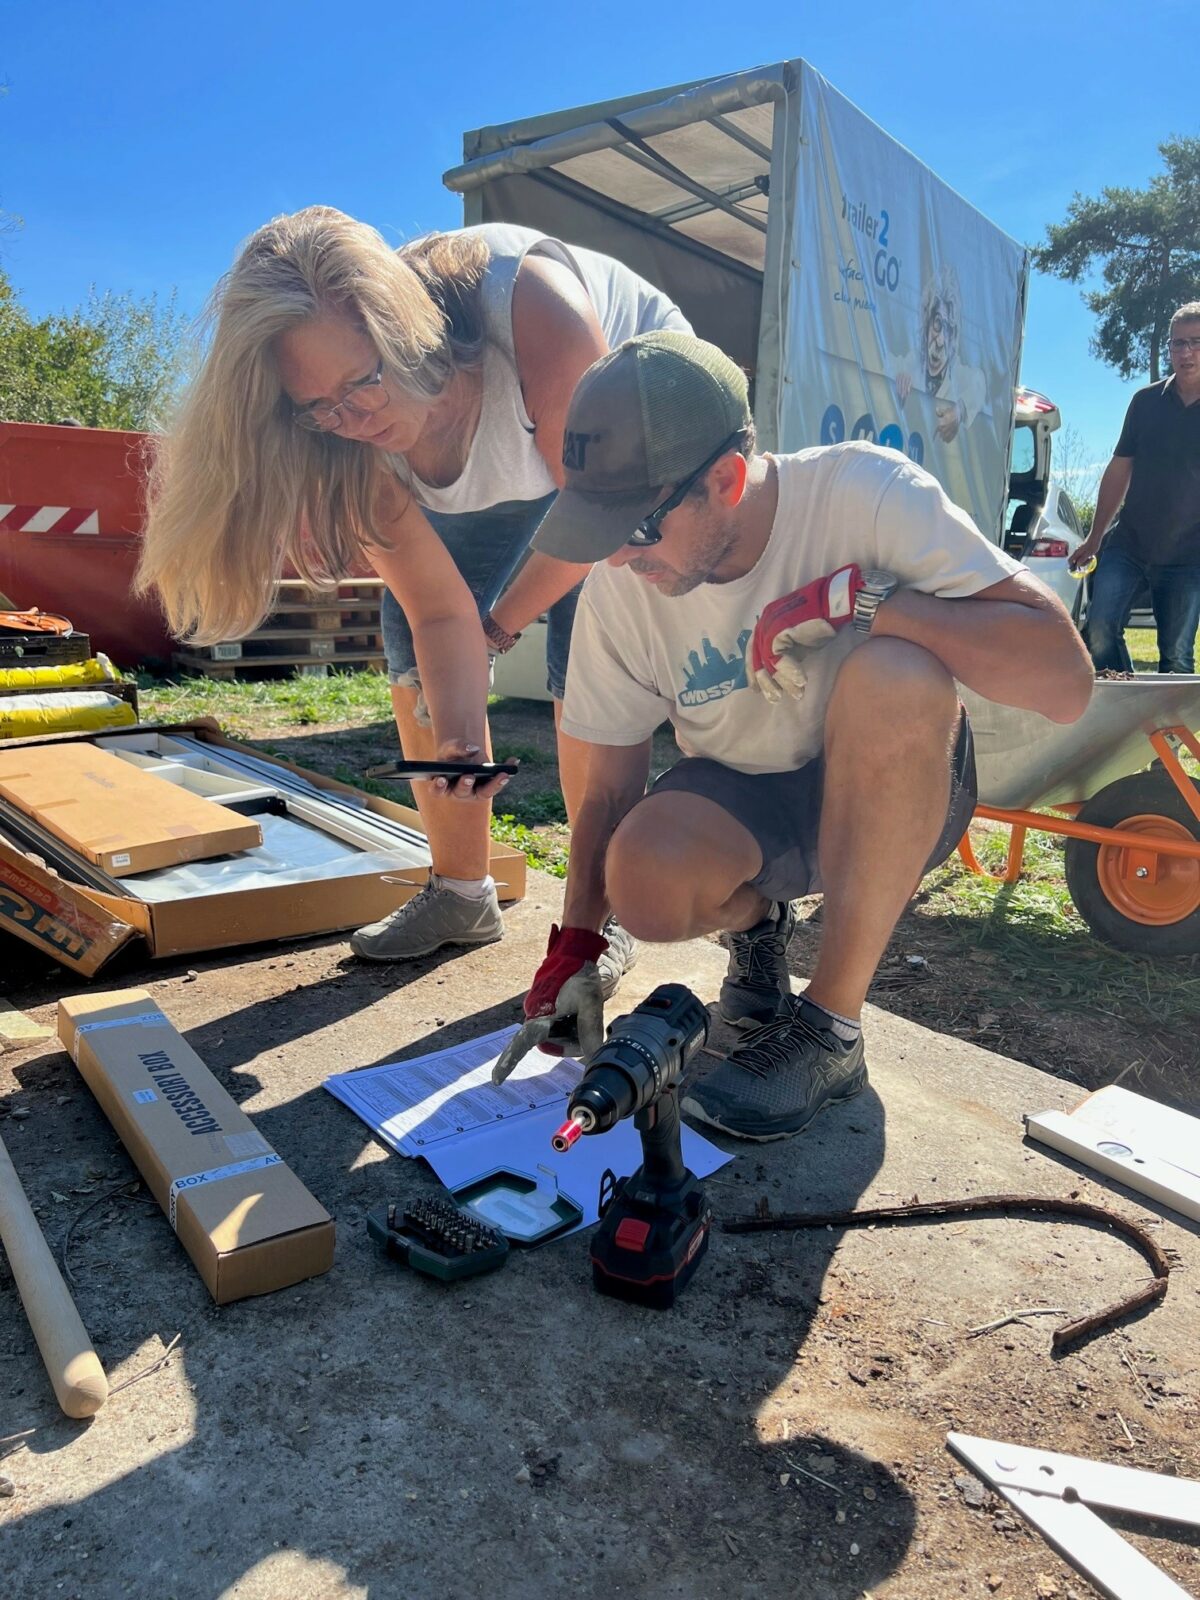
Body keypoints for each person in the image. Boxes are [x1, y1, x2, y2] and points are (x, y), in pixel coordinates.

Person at [493, 332, 1092, 1142]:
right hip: (751, 798)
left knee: (896, 673)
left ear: (726, 480)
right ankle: (759, 932)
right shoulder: (620, 586)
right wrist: (575, 949)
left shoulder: (865, 494)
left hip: (896, 781)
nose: (618, 559)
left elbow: (1066, 681)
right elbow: (606, 791)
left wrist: (864, 600)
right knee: (642, 875)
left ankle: (831, 1029)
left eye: (633, 528)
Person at [136, 207, 692, 980]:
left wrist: (495, 626)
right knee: (415, 659)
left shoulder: (535, 309)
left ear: (408, 336)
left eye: (361, 382)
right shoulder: (342, 440)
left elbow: (592, 523)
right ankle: (462, 892)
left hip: (613, 436)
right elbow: (438, 609)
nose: (351, 418)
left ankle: (599, 916)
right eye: (318, 404)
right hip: (507, 446)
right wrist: (462, 736)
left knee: (590, 674)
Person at [1069, 301, 1200, 674]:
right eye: (1177, 343)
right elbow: (1118, 470)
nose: (1186, 352)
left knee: (1177, 654)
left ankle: (1164, 730)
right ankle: (1124, 711)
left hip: (1189, 557)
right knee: (1099, 630)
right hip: (1130, 544)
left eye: (1195, 342)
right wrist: (1094, 538)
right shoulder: (1144, 403)